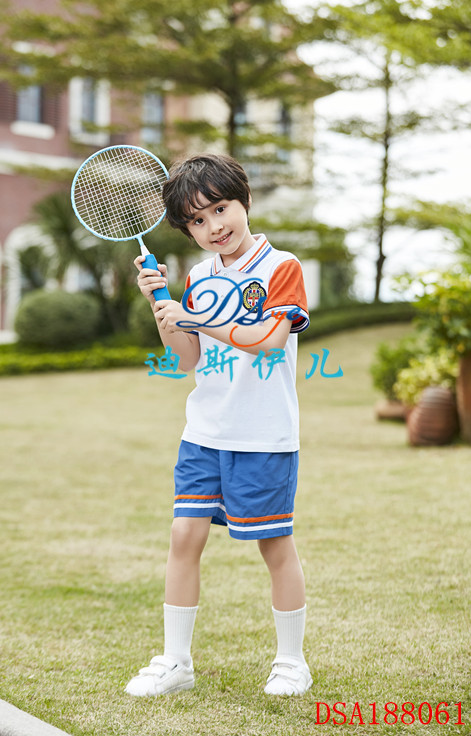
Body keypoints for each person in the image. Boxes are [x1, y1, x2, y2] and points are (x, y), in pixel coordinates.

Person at [125, 153, 312, 698]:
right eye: (197, 222)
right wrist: (162, 306)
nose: (213, 228)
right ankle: (176, 661)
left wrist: (196, 316)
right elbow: (186, 358)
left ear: (244, 201)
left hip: (264, 433)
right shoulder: (200, 275)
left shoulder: (283, 267)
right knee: (184, 535)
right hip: (203, 432)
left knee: (274, 544)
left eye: (220, 209)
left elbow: (271, 341)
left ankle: (291, 662)